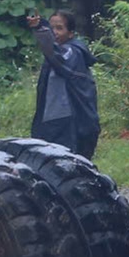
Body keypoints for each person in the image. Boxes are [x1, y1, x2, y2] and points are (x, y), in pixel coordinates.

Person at [28, 9, 100, 158]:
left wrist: (41, 30)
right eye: (52, 28)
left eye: (59, 28)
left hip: (71, 125)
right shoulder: (55, 54)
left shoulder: (73, 52)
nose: (55, 32)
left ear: (71, 33)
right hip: (52, 122)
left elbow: (58, 59)